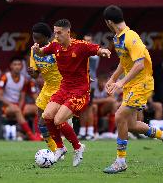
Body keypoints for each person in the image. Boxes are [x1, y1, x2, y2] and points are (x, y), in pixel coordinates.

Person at [102, 5, 163, 174]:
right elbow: (124, 62)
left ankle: (120, 161)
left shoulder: (131, 37)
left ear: (109, 22)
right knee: (132, 125)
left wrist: (121, 82)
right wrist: (113, 78)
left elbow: (140, 65)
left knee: (119, 115)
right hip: (131, 84)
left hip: (142, 83)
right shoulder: (118, 38)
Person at [32, 19, 111, 166]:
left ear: (68, 32)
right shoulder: (55, 45)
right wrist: (38, 51)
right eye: (55, 33)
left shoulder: (80, 46)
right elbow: (43, 52)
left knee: (58, 120)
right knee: (47, 116)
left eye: (59, 33)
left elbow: (96, 49)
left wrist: (104, 51)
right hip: (64, 88)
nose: (56, 36)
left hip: (79, 91)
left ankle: (78, 147)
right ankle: (60, 148)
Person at [28, 22, 61, 152]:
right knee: (42, 124)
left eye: (38, 38)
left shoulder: (57, 47)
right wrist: (32, 73)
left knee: (57, 122)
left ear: (47, 37)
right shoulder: (34, 50)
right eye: (33, 37)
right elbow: (36, 75)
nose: (35, 41)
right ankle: (55, 150)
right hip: (47, 88)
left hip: (62, 87)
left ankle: (70, 147)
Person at [0, 57, 38, 141]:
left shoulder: (24, 80)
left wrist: (20, 107)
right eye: (15, 64)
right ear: (11, 66)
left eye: (19, 65)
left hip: (18, 106)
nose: (17, 67)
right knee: (16, 109)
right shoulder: (5, 77)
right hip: (6, 107)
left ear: (21, 66)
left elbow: (22, 97)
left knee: (37, 108)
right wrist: (12, 105)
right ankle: (31, 136)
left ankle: (38, 134)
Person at [78, 33, 100, 140]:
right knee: (82, 107)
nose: (87, 43)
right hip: (80, 83)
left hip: (91, 84)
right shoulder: (80, 51)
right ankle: (82, 132)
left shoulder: (95, 52)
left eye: (89, 40)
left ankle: (90, 132)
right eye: (85, 40)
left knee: (89, 108)